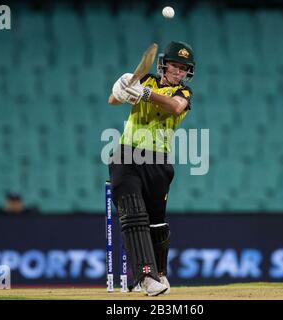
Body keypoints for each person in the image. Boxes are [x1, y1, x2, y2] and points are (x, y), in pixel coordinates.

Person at [108, 41, 195, 296]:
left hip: (159, 162)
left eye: (183, 68)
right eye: (174, 66)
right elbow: (113, 100)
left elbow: (175, 107)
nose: (178, 72)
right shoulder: (144, 79)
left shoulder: (184, 93)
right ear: (163, 65)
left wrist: (143, 94)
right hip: (126, 156)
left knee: (157, 224)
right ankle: (146, 277)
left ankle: (161, 274)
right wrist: (123, 87)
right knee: (134, 216)